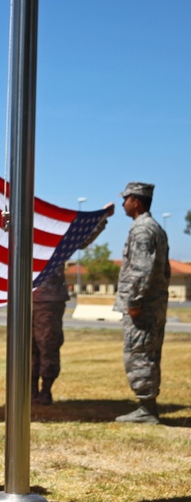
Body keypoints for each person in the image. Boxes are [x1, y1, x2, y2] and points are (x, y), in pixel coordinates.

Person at [31, 205, 112, 405]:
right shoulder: (23, 235)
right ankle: (30, 390)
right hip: (26, 299)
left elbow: (81, 239)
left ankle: (45, 391)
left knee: (48, 344)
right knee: (27, 347)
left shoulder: (55, 236)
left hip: (49, 300)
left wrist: (100, 219)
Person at [113, 182, 170, 425]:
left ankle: (146, 409)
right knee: (148, 354)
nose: (122, 203)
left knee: (139, 354)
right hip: (153, 305)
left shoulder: (142, 230)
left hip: (143, 308)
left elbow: (141, 270)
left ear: (136, 201)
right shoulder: (153, 227)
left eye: (125, 198)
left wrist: (134, 302)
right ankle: (148, 406)